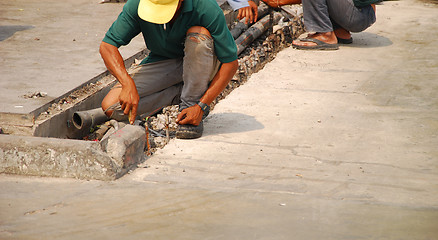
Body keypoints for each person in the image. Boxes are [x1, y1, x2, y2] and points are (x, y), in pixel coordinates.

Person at [100, 0, 238, 139]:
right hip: (165, 62)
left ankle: (191, 104)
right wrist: (127, 83)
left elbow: (231, 63)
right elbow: (107, 46)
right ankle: (183, 92)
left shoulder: (204, 6)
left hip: (203, 63)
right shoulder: (137, 4)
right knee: (111, 107)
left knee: (198, 34)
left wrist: (201, 106)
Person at [261, 0, 378, 50]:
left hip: (358, 14)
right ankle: (340, 31)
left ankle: (325, 34)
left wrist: (279, 2)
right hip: (363, 13)